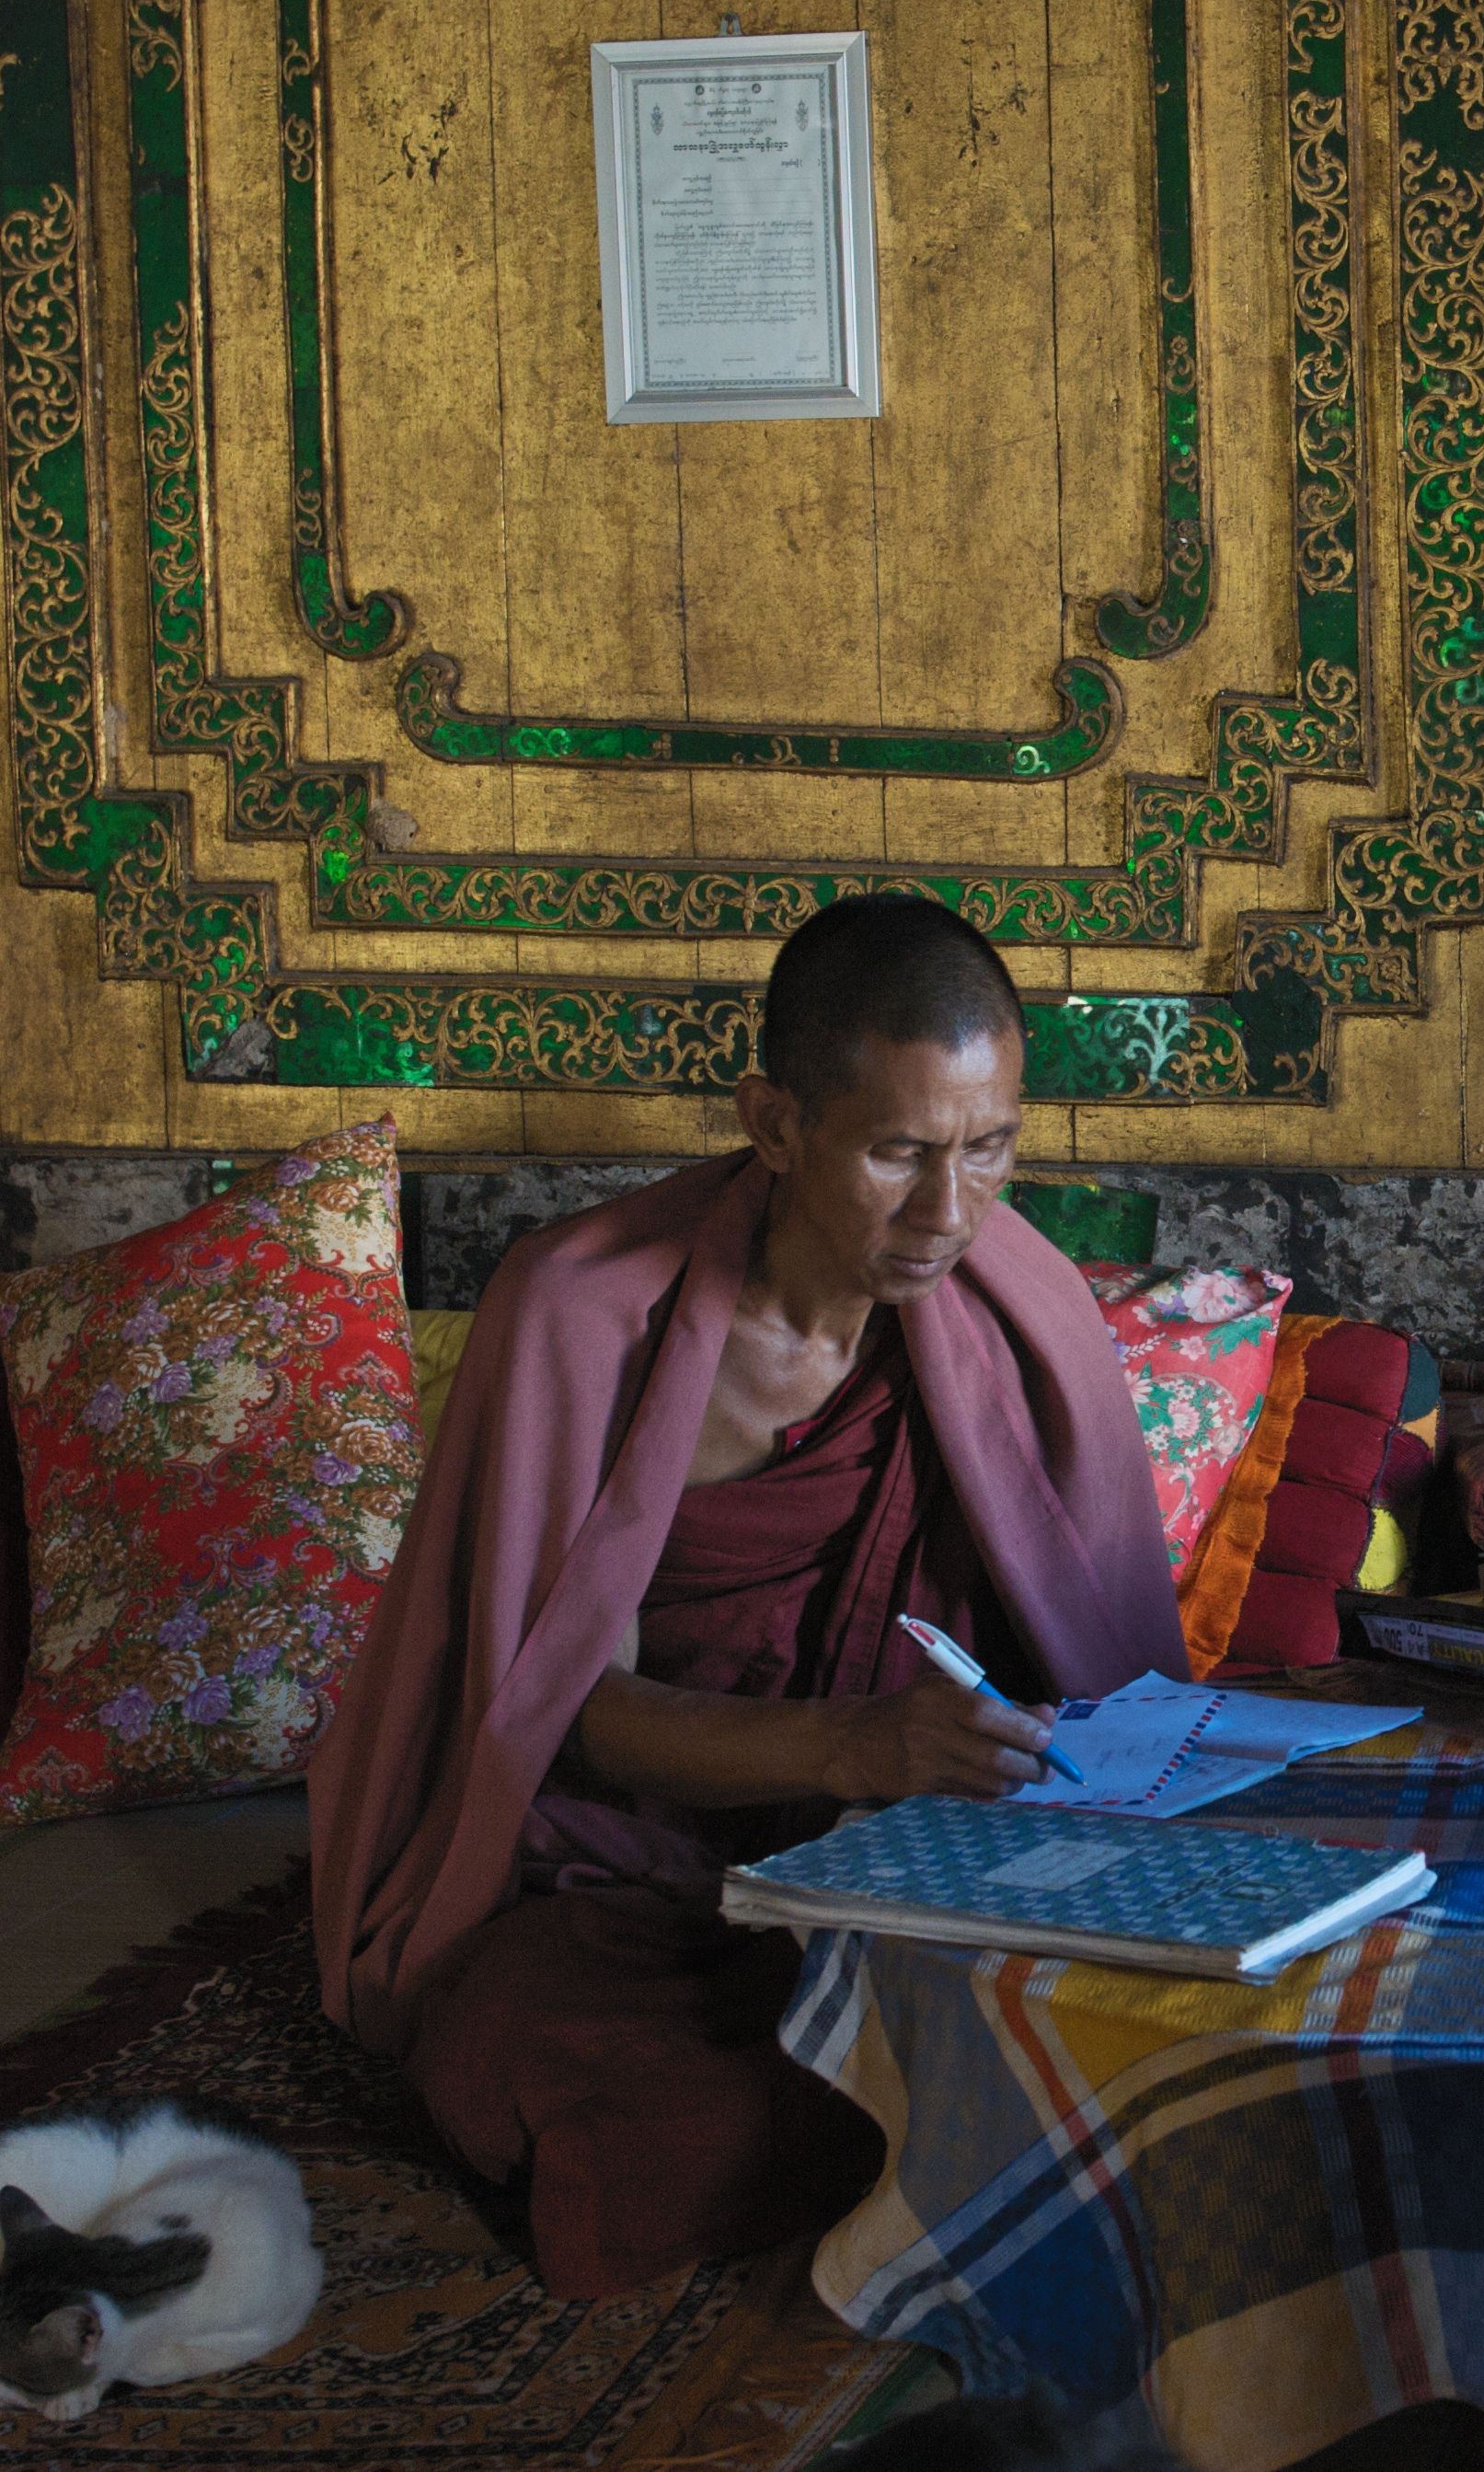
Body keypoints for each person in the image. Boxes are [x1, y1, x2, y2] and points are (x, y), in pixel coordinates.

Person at [309, 896, 1184, 2299]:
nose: (948, 1213)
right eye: (898, 1152)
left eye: (990, 1150)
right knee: (566, 2071)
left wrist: (978, 1772)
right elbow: (555, 1720)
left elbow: (1105, 1670)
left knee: (1169, 2021)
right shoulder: (586, 1317)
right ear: (774, 1124)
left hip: (908, 1874)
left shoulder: (1020, 1305)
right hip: (637, 1871)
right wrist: (851, 1744)